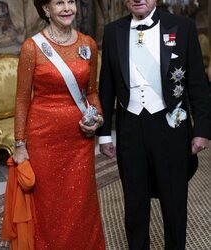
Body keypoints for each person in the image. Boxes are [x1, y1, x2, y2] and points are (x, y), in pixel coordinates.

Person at [97, 0, 210, 249]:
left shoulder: (183, 27)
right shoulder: (112, 31)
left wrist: (201, 130)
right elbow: (106, 87)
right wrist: (104, 134)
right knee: (134, 201)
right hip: (130, 126)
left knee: (174, 200)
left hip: (170, 125)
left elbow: (198, 84)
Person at [12, 0, 105, 248]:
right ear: (46, 9)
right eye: (59, 3)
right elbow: (22, 99)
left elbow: (92, 92)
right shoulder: (32, 48)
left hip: (79, 140)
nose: (67, 8)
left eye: (71, 2)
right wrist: (20, 144)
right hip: (44, 139)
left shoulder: (88, 44)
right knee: (49, 204)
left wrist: (98, 118)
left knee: (80, 202)